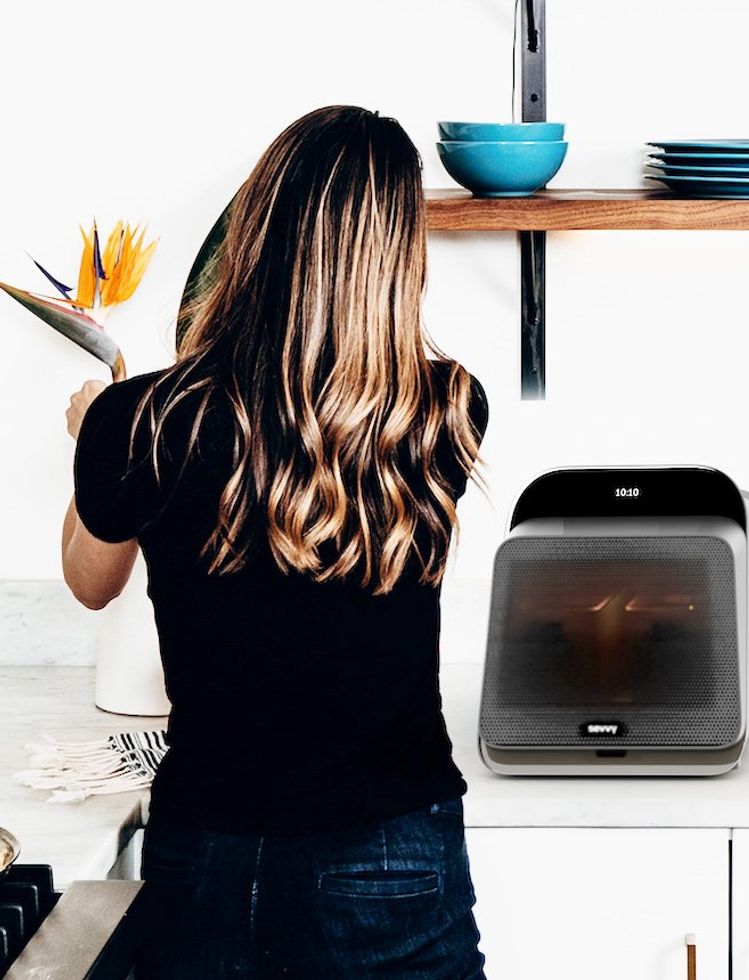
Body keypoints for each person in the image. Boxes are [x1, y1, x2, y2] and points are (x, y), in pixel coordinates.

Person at [61, 105, 489, 979]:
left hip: (207, 846)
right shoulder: (444, 408)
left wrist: (93, 446)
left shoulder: (140, 418)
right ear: (397, 257)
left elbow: (88, 581)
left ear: (253, 228)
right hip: (390, 848)